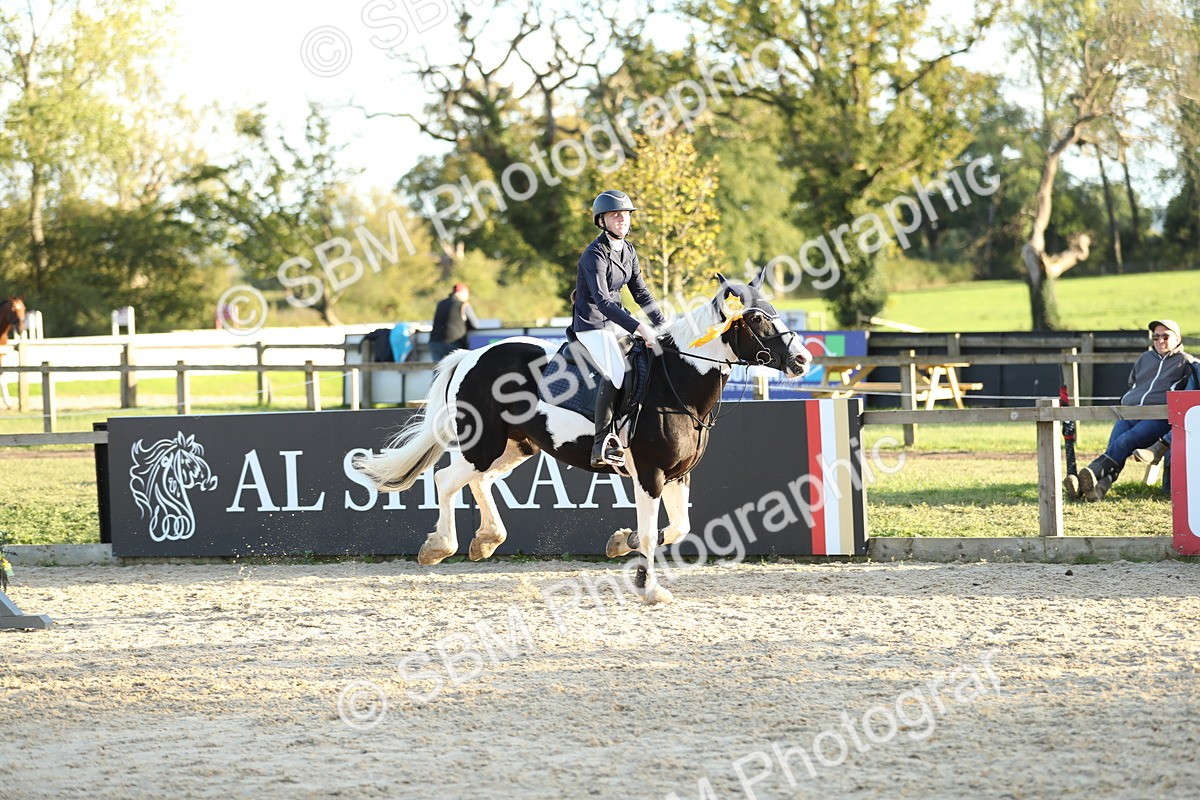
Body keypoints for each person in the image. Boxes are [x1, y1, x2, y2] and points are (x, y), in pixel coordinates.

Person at [574, 189, 665, 469]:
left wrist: (662, 325)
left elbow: (642, 294)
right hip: (592, 323)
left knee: (648, 358)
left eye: (625, 215)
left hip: (616, 319)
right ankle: (601, 443)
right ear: (601, 221)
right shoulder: (594, 255)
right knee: (616, 372)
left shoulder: (628, 250)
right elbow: (601, 302)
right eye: (615, 215)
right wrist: (640, 327)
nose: (622, 220)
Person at [1066, 319, 1195, 502]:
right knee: (1114, 446)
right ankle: (1097, 489)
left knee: (1124, 441)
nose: (1160, 341)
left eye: (1166, 337)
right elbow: (1133, 384)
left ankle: (1085, 478)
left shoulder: (1187, 363)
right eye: (1156, 337)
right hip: (1129, 413)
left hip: (1158, 417)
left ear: (1178, 339)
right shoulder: (1145, 359)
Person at [429, 283, 480, 361]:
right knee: (456, 371)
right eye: (467, 294)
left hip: (435, 342)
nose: (467, 297)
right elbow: (475, 325)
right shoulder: (463, 304)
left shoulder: (440, 304)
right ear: (462, 293)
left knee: (438, 371)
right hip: (454, 343)